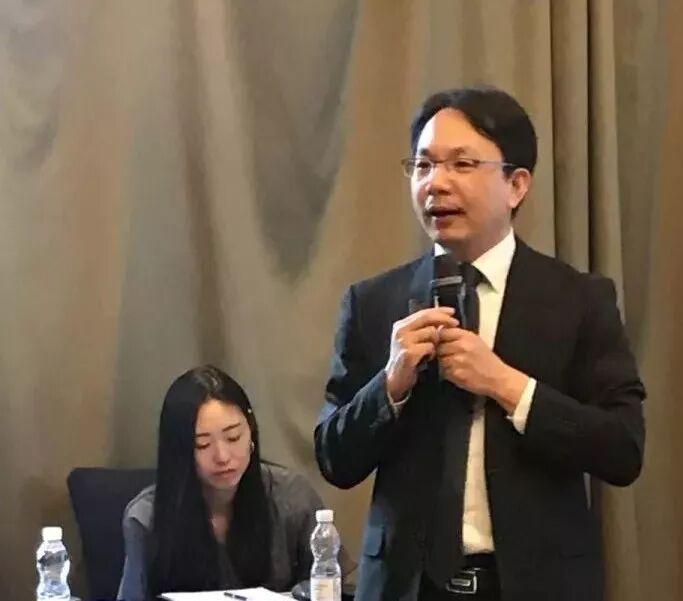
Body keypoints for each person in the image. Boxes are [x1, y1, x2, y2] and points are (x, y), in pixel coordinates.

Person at [315, 86, 646, 601]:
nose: (435, 183)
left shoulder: (579, 300)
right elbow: (334, 459)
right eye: (423, 165)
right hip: (406, 587)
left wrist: (508, 386)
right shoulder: (373, 302)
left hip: (536, 586)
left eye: (462, 164)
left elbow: (623, 450)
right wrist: (390, 385)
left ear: (516, 184)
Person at [119, 365, 343, 600]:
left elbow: (330, 587)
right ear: (179, 451)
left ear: (251, 433)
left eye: (233, 437)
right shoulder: (146, 518)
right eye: (203, 445)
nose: (223, 456)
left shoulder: (292, 497)